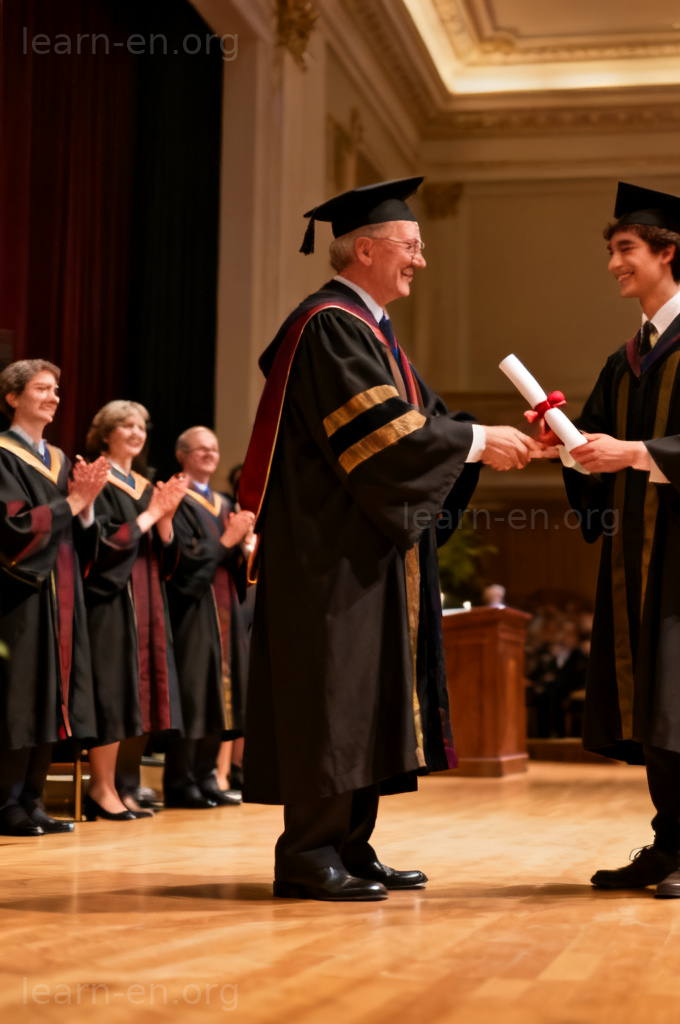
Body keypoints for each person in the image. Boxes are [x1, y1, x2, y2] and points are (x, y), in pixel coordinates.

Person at [238, 177, 539, 901]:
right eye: (411, 246)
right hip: (327, 556)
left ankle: (351, 844)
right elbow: (385, 435)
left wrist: (511, 442)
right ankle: (309, 854)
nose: (421, 260)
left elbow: (430, 419)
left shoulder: (372, 333)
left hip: (365, 551)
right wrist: (475, 441)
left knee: (366, 694)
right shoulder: (330, 325)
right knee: (333, 695)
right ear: (365, 249)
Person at [541, 182, 680, 898]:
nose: (614, 264)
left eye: (625, 250)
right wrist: (566, 445)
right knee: (657, 696)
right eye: (613, 251)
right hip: (636, 556)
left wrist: (633, 453)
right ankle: (670, 842)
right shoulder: (627, 357)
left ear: (667, 253)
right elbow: (600, 455)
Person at [0, 360, 108, 836]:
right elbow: (12, 527)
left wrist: (86, 510)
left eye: (57, 390)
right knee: (20, 695)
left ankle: (34, 799)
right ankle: (5, 804)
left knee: (53, 694)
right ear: (12, 397)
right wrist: (75, 504)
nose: (53, 397)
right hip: (20, 593)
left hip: (63, 590)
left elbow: (84, 531)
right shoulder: (2, 455)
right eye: (42, 388)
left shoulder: (63, 459)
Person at [79, 401, 188, 821]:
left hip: (146, 598)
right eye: (126, 425)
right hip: (110, 599)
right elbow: (97, 545)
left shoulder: (145, 484)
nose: (136, 432)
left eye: (141, 426)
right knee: (113, 691)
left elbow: (167, 552)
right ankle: (100, 788)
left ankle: (125, 784)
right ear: (106, 433)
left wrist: (165, 519)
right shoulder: (96, 477)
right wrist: (151, 515)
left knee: (143, 694)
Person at [163, 427, 254, 809]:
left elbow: (226, 558)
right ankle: (182, 783)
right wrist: (228, 541)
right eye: (200, 449)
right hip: (193, 609)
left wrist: (244, 550)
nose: (209, 454)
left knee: (222, 695)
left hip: (225, 606)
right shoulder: (176, 498)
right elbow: (182, 560)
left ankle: (208, 778)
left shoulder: (222, 501)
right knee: (195, 694)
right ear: (181, 455)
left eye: (214, 449)